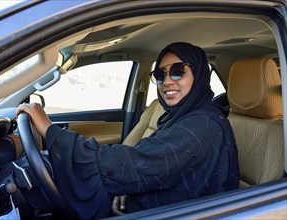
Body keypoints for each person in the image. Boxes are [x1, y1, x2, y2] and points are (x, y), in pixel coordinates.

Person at [16, 42, 239, 219]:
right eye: (160, 75)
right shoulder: (182, 117)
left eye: (178, 71)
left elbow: (139, 162)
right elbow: (155, 163)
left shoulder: (204, 124)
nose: (167, 81)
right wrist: (128, 188)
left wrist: (50, 131)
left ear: (199, 75)